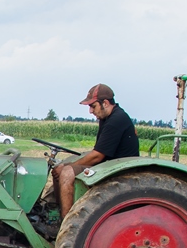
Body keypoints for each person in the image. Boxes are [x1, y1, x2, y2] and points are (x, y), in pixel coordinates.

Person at [51, 83, 139, 218]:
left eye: (93, 106)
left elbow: (97, 155)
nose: (91, 111)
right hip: (110, 164)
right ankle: (54, 211)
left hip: (118, 170)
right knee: (62, 166)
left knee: (67, 172)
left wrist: (66, 167)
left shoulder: (117, 119)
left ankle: (66, 223)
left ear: (105, 103)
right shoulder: (107, 118)